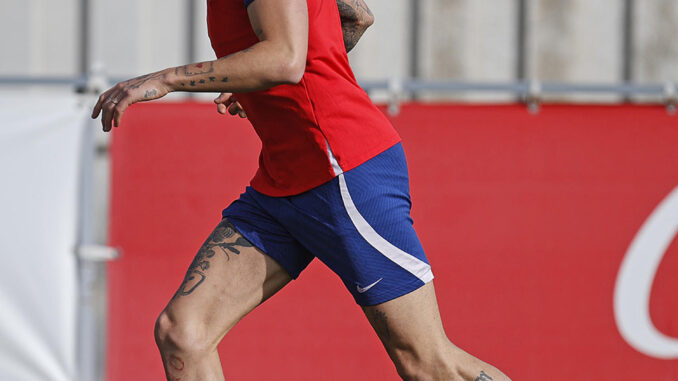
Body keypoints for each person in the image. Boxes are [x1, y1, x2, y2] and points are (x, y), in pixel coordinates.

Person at [92, 0, 511, 380]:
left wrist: (167, 79)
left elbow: (284, 60)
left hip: (342, 171)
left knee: (429, 365)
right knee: (184, 332)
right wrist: (257, 77)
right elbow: (354, 16)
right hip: (282, 180)